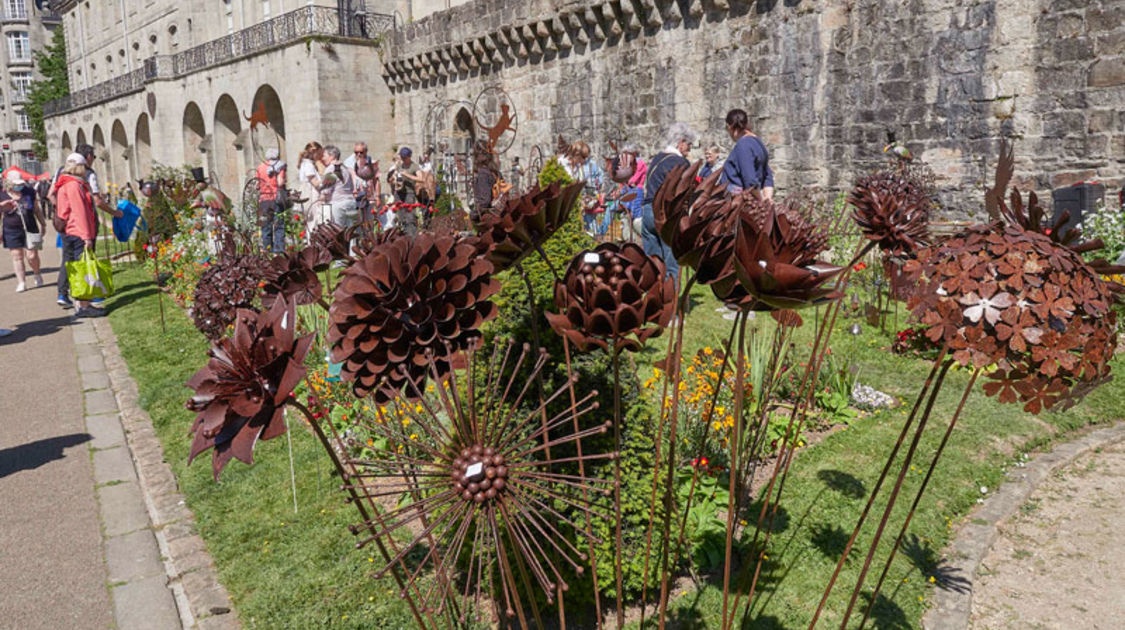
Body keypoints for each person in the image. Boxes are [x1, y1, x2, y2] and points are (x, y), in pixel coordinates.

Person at [642, 123, 698, 284]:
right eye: (689, 144)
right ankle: (669, 306)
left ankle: (654, 304)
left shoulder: (656, 159)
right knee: (672, 266)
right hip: (666, 215)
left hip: (648, 211)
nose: (689, 149)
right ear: (680, 142)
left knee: (653, 265)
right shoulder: (680, 163)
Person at [52, 153, 103, 317]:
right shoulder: (74, 185)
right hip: (77, 231)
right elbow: (80, 212)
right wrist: (87, 236)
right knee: (82, 269)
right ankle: (84, 306)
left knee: (75, 266)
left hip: (70, 231)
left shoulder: (64, 183)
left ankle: (82, 303)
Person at [2, 171, 44, 291]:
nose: (19, 186)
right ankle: (21, 282)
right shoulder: (3, 194)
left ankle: (37, 273)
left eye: (20, 183)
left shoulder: (29, 191)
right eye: (16, 184)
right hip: (11, 228)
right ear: (8, 183)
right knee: (17, 256)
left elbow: (36, 209)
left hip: (31, 227)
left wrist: (43, 223)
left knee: (32, 255)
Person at [721, 109, 774, 199]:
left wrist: (761, 200)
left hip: (737, 200)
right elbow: (767, 175)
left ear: (729, 127)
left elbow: (750, 179)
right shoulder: (758, 142)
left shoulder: (743, 145)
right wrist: (767, 198)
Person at [256, 148, 288, 253]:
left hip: (264, 200)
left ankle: (267, 249)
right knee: (279, 226)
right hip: (276, 199)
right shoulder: (279, 166)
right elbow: (280, 183)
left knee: (265, 226)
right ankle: (278, 251)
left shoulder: (260, 167)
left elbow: (257, 185)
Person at [319, 145, 358, 230]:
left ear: (332, 156)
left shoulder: (331, 169)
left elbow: (326, 190)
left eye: (324, 156)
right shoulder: (346, 168)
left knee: (338, 233)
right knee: (352, 232)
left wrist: (320, 198)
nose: (322, 158)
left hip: (338, 204)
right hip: (350, 202)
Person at [388, 147, 423, 236]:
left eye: (404, 157)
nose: (403, 158)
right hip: (399, 192)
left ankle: (411, 235)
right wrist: (392, 178)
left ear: (409, 156)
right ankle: (402, 234)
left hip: (409, 193)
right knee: (400, 215)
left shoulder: (414, 166)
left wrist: (407, 175)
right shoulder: (399, 165)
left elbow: (421, 178)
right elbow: (394, 175)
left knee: (409, 215)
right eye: (402, 156)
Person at [343, 142, 379, 222]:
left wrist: (378, 196)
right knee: (357, 220)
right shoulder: (348, 164)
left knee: (370, 220)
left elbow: (376, 181)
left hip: (369, 196)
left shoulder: (372, 163)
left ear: (366, 151)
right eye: (356, 152)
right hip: (355, 196)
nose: (358, 154)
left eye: (361, 152)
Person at [297, 142, 325, 237]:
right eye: (320, 153)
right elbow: (315, 182)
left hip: (309, 193)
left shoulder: (306, 164)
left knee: (312, 221)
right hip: (311, 194)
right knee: (314, 221)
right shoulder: (308, 165)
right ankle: (312, 244)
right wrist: (326, 179)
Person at [470, 140, 498, 222]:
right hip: (498, 214)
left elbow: (485, 201)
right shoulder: (495, 172)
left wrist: (473, 214)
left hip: (489, 218)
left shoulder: (483, 174)